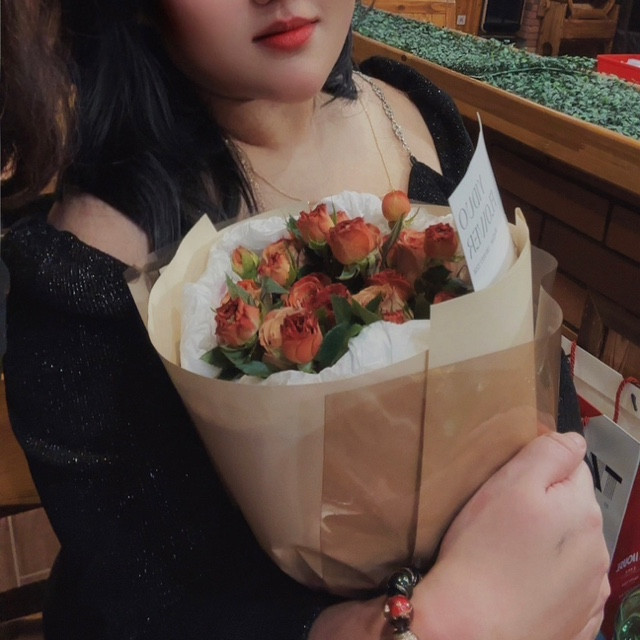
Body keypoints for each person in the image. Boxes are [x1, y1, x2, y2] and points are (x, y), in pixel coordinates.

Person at [1, 1, 609, 639]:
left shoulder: (421, 123)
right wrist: (443, 621)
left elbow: (537, 399)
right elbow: (151, 602)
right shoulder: (87, 274)